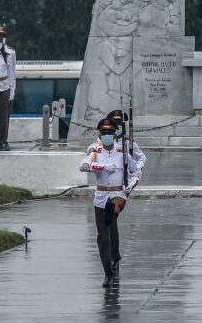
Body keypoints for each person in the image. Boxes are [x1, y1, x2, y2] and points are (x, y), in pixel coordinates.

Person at [80, 118, 139, 287]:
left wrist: (130, 186)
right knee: (103, 235)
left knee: (110, 221)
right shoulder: (95, 151)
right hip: (101, 195)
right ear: (100, 134)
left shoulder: (122, 153)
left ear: (115, 135)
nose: (107, 135)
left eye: (110, 133)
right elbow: (82, 165)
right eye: (104, 133)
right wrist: (101, 167)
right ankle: (109, 269)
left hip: (118, 195)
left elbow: (136, 172)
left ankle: (114, 261)